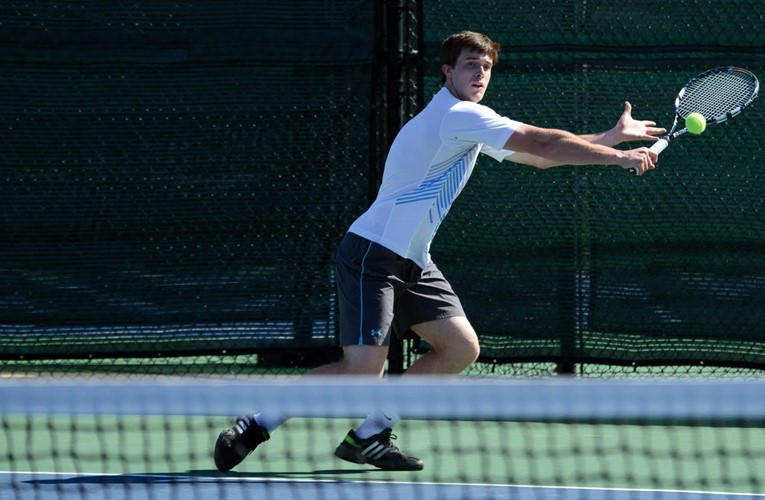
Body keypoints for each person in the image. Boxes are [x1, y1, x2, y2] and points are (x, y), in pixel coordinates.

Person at [214, 30, 664, 473]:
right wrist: (619, 157)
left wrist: (610, 136)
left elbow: (540, 157)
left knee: (459, 347)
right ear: (447, 70)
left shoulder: (470, 121)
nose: (481, 73)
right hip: (374, 251)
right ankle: (255, 425)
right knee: (360, 371)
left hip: (414, 259)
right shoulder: (457, 116)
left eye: (487, 66)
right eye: (471, 64)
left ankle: (369, 435)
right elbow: (543, 141)